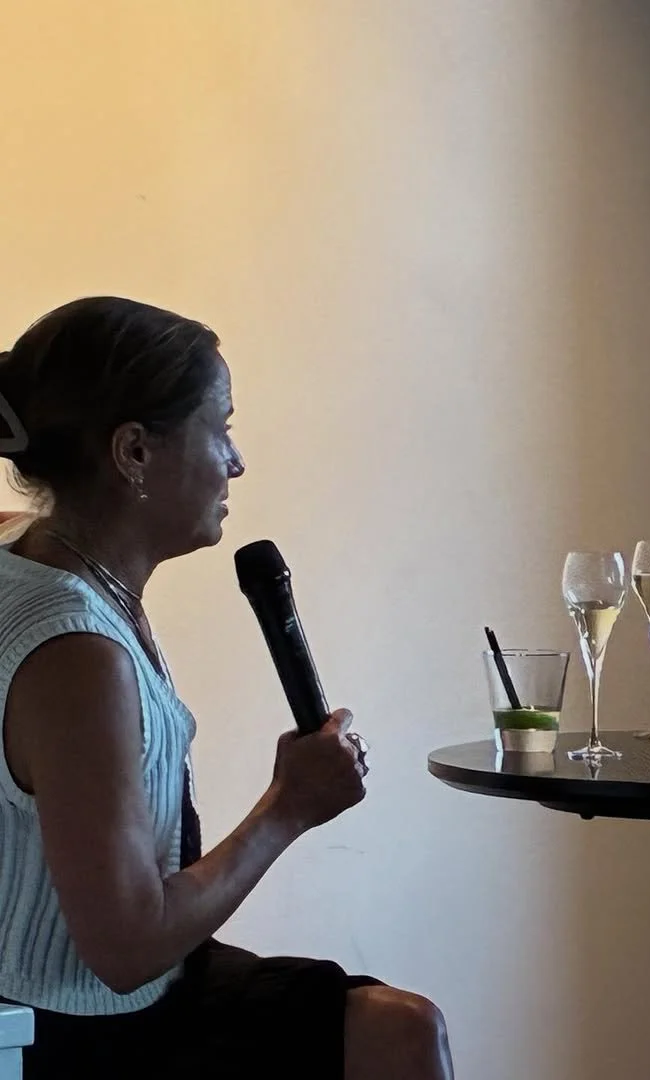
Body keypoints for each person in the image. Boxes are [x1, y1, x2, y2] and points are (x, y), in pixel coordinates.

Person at [0, 297, 454, 1079]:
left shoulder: (30, 549)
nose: (236, 461)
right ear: (134, 451)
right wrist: (287, 808)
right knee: (398, 1038)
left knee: (401, 1031)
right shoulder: (76, 654)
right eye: (223, 428)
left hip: (149, 989)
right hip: (80, 1031)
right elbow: (126, 948)